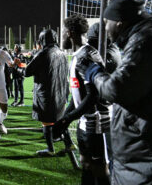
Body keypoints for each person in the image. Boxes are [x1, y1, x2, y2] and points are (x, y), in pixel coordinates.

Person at [78, 0, 152, 184]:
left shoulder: (147, 41)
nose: (104, 28)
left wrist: (93, 72)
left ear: (119, 22)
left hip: (148, 160)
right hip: (149, 154)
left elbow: (117, 89)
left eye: (107, 22)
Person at [53, 15, 116, 185]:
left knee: (100, 169)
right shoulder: (77, 55)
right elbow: (78, 97)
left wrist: (66, 118)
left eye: (64, 32)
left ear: (70, 33)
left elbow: (93, 95)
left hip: (97, 122)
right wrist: (65, 119)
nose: (63, 36)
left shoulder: (87, 56)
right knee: (86, 164)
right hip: (83, 122)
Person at [23, 29, 69, 155]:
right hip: (60, 93)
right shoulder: (62, 53)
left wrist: (18, 66)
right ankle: (69, 144)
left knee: (46, 121)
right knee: (60, 120)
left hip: (47, 93)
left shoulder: (43, 53)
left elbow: (27, 72)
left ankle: (50, 149)